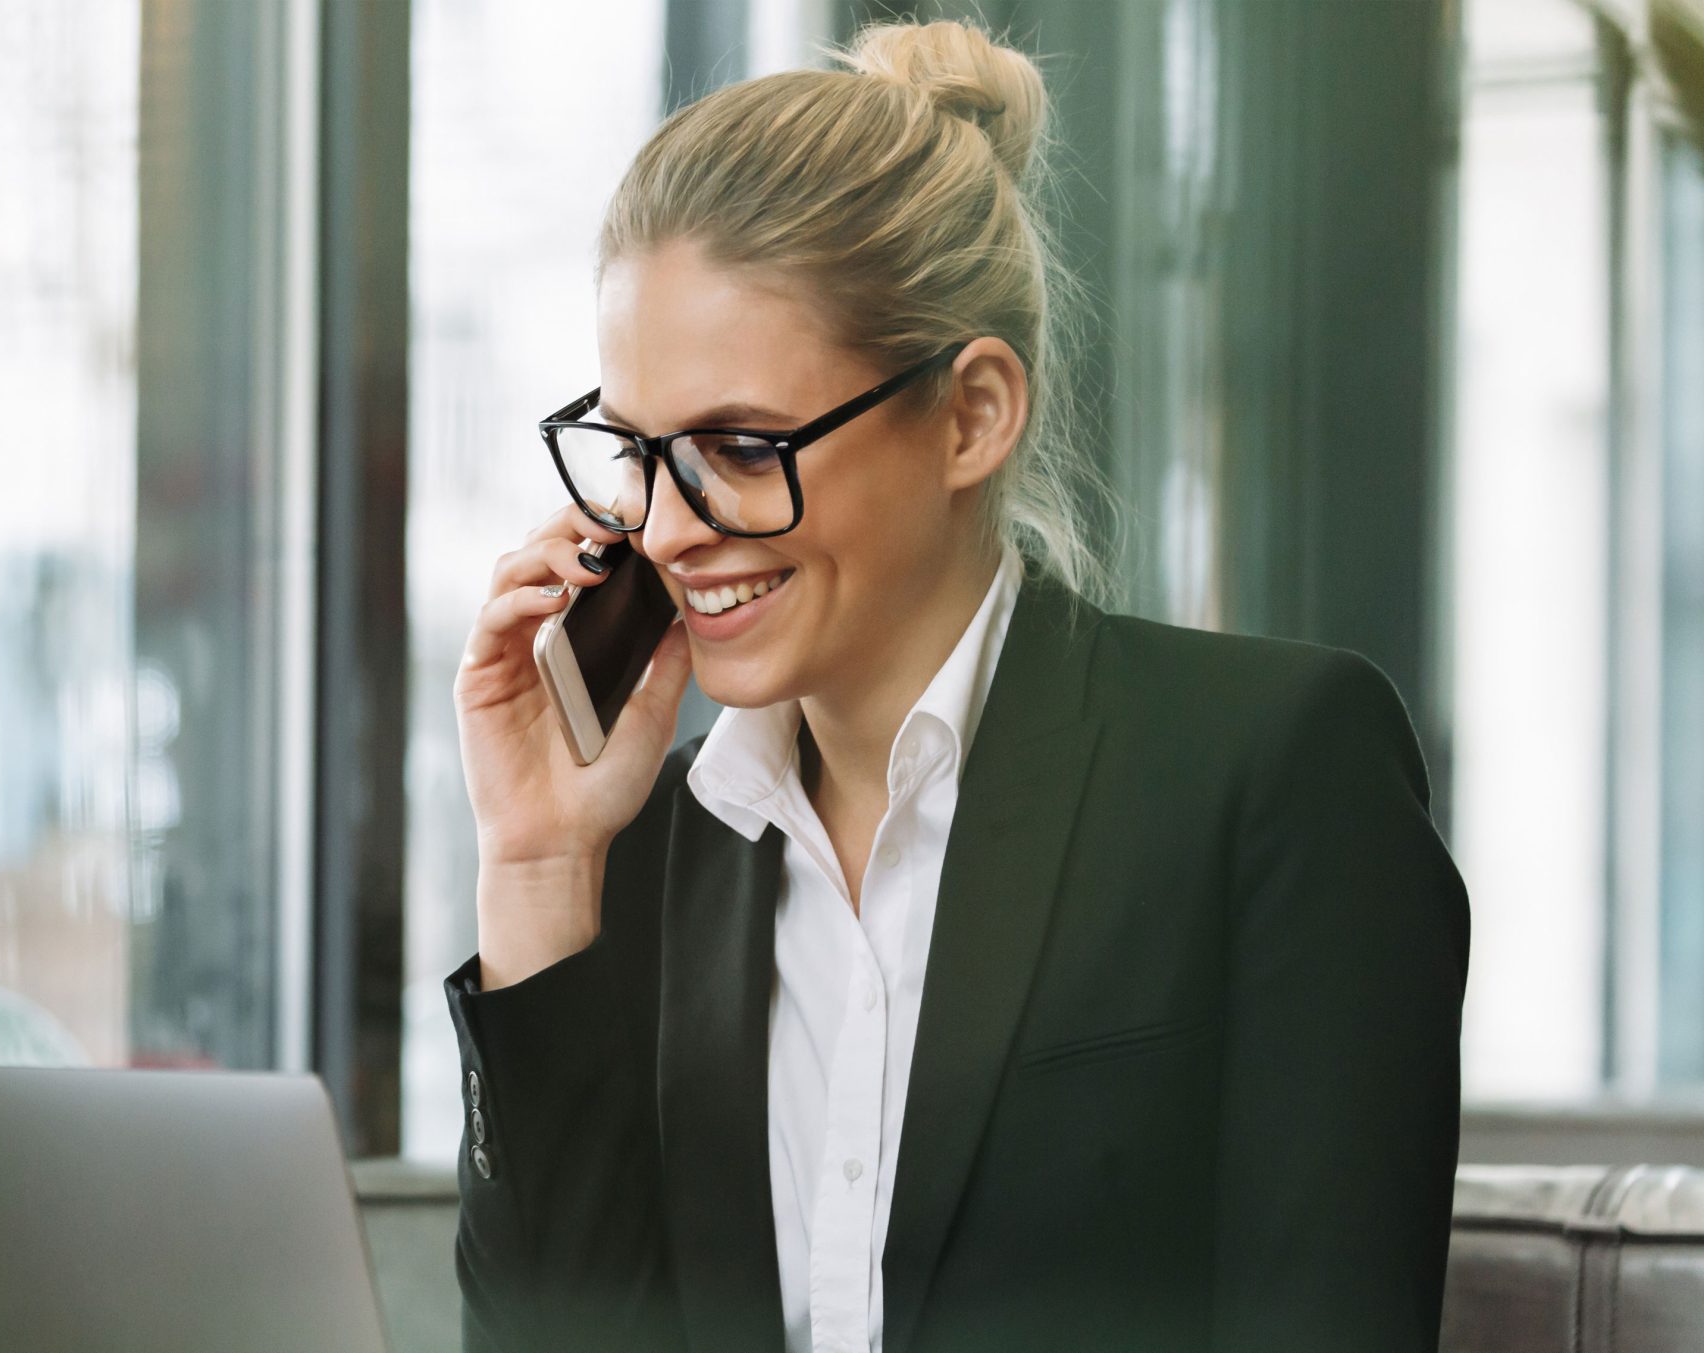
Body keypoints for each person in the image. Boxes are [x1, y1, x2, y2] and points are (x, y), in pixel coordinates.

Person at [443, 17, 1471, 1353]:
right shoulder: (655, 853)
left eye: (742, 447)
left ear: (974, 414)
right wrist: (533, 867)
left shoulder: (1270, 776)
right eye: (638, 453)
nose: (671, 525)